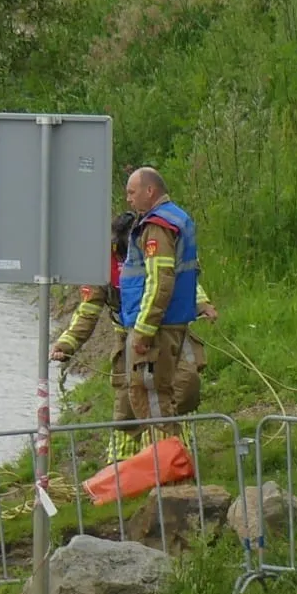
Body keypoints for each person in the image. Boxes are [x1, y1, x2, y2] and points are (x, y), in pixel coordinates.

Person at [50, 211, 217, 425]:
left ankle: (167, 441)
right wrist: (67, 344)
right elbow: (88, 311)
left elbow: (182, 281)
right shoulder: (101, 265)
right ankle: (129, 451)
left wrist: (201, 304)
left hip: (167, 330)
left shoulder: (158, 247)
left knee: (185, 385)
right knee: (129, 405)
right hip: (129, 339)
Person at [111, 166, 203, 456]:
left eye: (132, 192)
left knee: (150, 394)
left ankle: (169, 465)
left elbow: (160, 281)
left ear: (150, 191)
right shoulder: (178, 217)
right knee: (159, 393)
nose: (128, 199)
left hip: (158, 326)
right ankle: (170, 462)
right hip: (173, 321)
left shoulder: (157, 225)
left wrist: (144, 329)